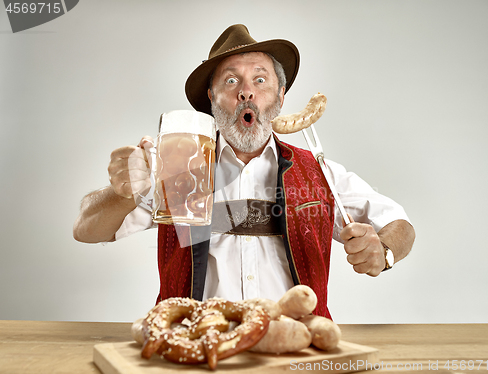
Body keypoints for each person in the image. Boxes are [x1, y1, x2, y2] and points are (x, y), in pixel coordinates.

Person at [73, 24, 415, 319]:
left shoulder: (318, 173)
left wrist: (382, 252)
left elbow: (400, 224)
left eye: (260, 80)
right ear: (212, 98)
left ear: (280, 96)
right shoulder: (176, 169)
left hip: (297, 350)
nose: (246, 91)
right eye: (231, 80)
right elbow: (86, 228)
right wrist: (123, 192)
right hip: (197, 352)